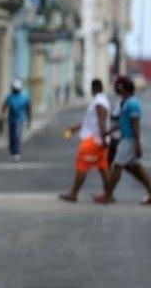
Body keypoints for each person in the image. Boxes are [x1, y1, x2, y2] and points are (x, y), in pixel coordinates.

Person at [94, 76, 151, 204]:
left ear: (124, 89)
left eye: (120, 88)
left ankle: (107, 195)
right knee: (137, 168)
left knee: (118, 166)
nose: (118, 90)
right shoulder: (126, 102)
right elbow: (122, 122)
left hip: (129, 140)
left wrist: (137, 144)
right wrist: (108, 132)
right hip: (127, 139)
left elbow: (135, 124)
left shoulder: (132, 103)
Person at [59, 79, 111, 202]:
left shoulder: (99, 101)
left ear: (94, 88)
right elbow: (91, 121)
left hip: (94, 140)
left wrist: (103, 137)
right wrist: (74, 129)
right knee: (103, 168)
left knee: (82, 166)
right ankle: (109, 194)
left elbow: (101, 120)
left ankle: (73, 193)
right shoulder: (100, 100)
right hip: (99, 139)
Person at [1, 79, 31, 162]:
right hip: (11, 119)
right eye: (15, 89)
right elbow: (4, 106)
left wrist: (29, 120)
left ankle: (16, 153)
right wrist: (2, 115)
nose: (16, 91)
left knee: (17, 136)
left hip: (20, 119)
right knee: (12, 136)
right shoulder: (10, 97)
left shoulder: (24, 97)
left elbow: (28, 109)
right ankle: (12, 149)